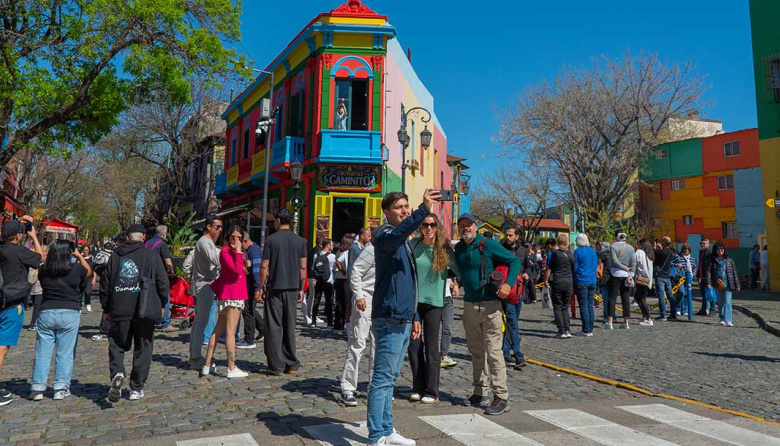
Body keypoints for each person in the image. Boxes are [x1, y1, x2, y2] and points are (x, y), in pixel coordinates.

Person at [366, 189, 439, 446]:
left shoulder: (404, 241)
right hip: (389, 316)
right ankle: (376, 435)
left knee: (390, 379)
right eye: (399, 207)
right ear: (387, 212)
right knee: (382, 379)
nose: (405, 210)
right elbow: (397, 235)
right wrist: (423, 210)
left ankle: (387, 430)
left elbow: (409, 282)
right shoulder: (384, 235)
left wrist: (414, 315)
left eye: (407, 206)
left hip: (403, 317)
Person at [453, 212, 520, 417]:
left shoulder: (488, 244)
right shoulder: (459, 248)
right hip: (469, 305)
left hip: (491, 305)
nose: (466, 228)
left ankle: (501, 396)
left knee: (494, 352)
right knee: (475, 351)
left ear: (476, 226)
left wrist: (508, 284)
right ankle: (479, 391)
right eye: (462, 225)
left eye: (469, 224)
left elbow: (514, 261)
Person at [100, 224, 169, 402]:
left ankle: (117, 372)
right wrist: (163, 303)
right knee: (143, 346)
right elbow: (162, 281)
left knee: (116, 343)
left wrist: (106, 307)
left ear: (127, 237)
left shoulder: (116, 255)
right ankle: (136, 387)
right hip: (144, 308)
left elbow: (105, 283)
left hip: (119, 306)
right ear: (144, 238)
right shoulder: (151, 255)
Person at [30, 240, 91, 401]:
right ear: (69, 252)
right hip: (69, 311)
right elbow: (89, 272)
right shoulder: (76, 268)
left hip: (47, 311)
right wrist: (79, 256)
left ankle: (37, 388)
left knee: (42, 352)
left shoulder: (44, 269)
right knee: (65, 352)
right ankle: (60, 387)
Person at [408, 213, 457, 404]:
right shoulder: (413, 245)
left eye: (432, 225)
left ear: (437, 227)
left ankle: (431, 390)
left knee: (431, 347)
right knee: (414, 347)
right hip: (414, 302)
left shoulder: (444, 248)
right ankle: (417, 387)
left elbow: (459, 269)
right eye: (425, 225)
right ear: (420, 227)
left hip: (435, 303)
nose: (429, 228)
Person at [257, 208, 307, 376]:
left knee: (274, 326)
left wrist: (260, 287)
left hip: (275, 288)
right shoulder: (300, 241)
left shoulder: (271, 240)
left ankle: (276, 365)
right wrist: (301, 287)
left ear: (278, 220)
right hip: (292, 287)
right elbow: (303, 267)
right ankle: (291, 363)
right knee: (289, 325)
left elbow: (264, 266)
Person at [0, 218, 43, 405]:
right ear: (18, 236)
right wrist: (33, 236)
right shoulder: (19, 252)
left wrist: (16, 223)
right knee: (2, 348)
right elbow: (40, 258)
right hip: (11, 304)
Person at [202, 227, 249, 378]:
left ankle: (207, 364)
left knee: (219, 329)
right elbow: (235, 270)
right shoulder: (226, 252)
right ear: (228, 238)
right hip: (232, 294)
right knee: (230, 331)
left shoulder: (232, 252)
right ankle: (231, 367)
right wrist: (239, 252)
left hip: (231, 293)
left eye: (239, 238)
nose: (236, 240)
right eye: (233, 237)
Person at [340, 235, 376, 407]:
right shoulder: (373, 249)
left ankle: (375, 387)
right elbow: (356, 270)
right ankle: (348, 387)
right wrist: (359, 295)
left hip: (383, 302)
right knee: (357, 343)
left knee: (378, 347)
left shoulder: (399, 247)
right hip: (366, 299)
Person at [188, 217, 222, 370]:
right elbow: (217, 260)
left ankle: (194, 355)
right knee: (202, 321)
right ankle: (195, 357)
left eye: (221, 227)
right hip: (205, 284)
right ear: (208, 227)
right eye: (217, 226)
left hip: (206, 284)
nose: (220, 230)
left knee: (199, 321)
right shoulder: (204, 242)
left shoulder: (208, 242)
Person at [499, 226, 528, 369]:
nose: (508, 237)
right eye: (507, 235)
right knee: (512, 322)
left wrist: (528, 273)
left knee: (513, 322)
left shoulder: (522, 251)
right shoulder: (500, 249)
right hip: (506, 292)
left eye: (510, 235)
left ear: (517, 236)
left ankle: (506, 351)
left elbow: (529, 266)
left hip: (519, 292)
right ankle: (516, 353)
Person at [544, 235, 575, 338]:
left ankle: (561, 330)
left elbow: (550, 267)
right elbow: (573, 268)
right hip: (568, 281)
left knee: (557, 305)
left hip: (558, 281)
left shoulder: (555, 254)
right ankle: (567, 329)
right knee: (565, 306)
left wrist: (546, 279)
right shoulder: (570, 255)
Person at [147, 225, 175, 331]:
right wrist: (171, 270)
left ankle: (151, 319)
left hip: (148, 274)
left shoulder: (147, 243)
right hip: (160, 274)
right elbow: (168, 262)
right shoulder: (162, 244)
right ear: (164, 234)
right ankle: (164, 322)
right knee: (164, 296)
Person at [604, 231, 636, 330]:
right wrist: (631, 274)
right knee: (625, 298)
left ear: (617, 237)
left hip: (615, 273)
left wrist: (623, 267)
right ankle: (626, 322)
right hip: (626, 275)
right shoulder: (631, 248)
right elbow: (633, 262)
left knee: (612, 298)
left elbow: (614, 260)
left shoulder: (613, 246)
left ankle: (610, 321)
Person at [238, 232, 263, 349]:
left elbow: (256, 271)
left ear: (245, 241)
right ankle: (263, 329)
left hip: (251, 286)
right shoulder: (252, 250)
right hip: (250, 285)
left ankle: (249, 339)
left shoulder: (254, 251)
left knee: (248, 311)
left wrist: (257, 288)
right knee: (250, 309)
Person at [707, 242, 740, 327]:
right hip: (717, 283)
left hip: (728, 283)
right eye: (718, 249)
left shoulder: (729, 260)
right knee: (720, 302)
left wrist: (737, 285)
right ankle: (722, 318)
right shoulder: (713, 260)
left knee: (728, 302)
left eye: (721, 249)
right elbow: (709, 272)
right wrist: (709, 282)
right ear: (715, 250)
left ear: (724, 250)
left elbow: (734, 273)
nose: (720, 250)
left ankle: (728, 320)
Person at [573, 233, 598, 337]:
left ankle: (585, 329)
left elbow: (575, 267)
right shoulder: (593, 252)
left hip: (581, 280)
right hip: (592, 280)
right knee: (590, 305)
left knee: (583, 305)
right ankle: (590, 328)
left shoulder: (577, 252)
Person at [311, 238, 335, 328]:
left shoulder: (316, 255)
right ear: (328, 245)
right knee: (329, 301)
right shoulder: (332, 256)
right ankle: (329, 322)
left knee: (316, 300)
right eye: (331, 245)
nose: (333, 246)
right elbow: (335, 268)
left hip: (319, 280)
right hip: (328, 281)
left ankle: (313, 321)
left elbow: (313, 267)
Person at [670, 244, 696, 322]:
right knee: (681, 292)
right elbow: (671, 264)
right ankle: (678, 308)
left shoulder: (692, 259)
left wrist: (693, 276)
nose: (686, 250)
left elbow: (694, 268)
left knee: (686, 295)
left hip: (689, 279)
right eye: (685, 249)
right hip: (680, 278)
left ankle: (684, 309)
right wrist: (677, 265)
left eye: (688, 249)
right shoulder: (679, 258)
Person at [333, 235, 352, 332]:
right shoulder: (346, 253)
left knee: (339, 302)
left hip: (338, 279)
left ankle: (338, 324)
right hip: (344, 279)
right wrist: (343, 271)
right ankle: (344, 323)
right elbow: (337, 262)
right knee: (345, 303)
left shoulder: (338, 252)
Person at [27, 246, 48, 331]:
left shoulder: (48, 263)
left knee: (38, 305)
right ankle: (36, 322)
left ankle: (33, 323)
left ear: (46, 252)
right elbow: (30, 276)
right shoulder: (35, 262)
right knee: (37, 305)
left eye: (43, 251)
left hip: (43, 288)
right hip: (34, 287)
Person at [634, 240, 655, 326]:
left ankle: (648, 318)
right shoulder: (650, 254)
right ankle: (644, 316)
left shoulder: (639, 252)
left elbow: (635, 263)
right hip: (647, 279)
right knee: (639, 297)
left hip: (641, 278)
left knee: (641, 298)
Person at [304, 237, 324, 326]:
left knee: (311, 296)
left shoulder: (311, 250)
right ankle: (312, 315)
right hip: (314, 276)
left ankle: (310, 314)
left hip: (310, 274)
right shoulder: (319, 252)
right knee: (313, 296)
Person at [653, 237, 674, 321]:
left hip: (660, 276)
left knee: (661, 296)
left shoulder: (660, 252)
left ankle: (663, 315)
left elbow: (654, 255)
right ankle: (673, 314)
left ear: (664, 242)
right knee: (670, 295)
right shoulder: (670, 252)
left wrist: (655, 247)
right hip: (667, 276)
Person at [439, 278, 458, 368]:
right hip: (435, 299)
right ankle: (431, 356)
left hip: (447, 300)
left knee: (447, 329)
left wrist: (455, 285)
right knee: (433, 330)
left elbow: (451, 279)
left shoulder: (449, 270)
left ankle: (444, 355)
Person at [696, 238, 715, 316]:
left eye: (704, 243)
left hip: (707, 277)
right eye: (701, 243)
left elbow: (709, 267)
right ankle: (703, 309)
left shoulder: (709, 253)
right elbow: (700, 265)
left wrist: (709, 279)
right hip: (701, 276)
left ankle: (712, 310)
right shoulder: (701, 252)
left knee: (710, 294)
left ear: (708, 244)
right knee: (703, 294)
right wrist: (698, 275)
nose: (702, 245)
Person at [598, 241, 612, 323]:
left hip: (605, 279)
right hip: (613, 279)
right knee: (612, 299)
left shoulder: (603, 255)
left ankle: (606, 316)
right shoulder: (613, 255)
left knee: (605, 299)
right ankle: (612, 315)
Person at [80, 245, 95, 313]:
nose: (85, 251)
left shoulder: (92, 258)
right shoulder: (80, 258)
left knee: (87, 291)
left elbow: (94, 269)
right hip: (80, 277)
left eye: (87, 250)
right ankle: (79, 306)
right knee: (79, 292)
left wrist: (94, 278)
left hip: (89, 277)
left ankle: (88, 303)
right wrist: (80, 256)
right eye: (84, 250)